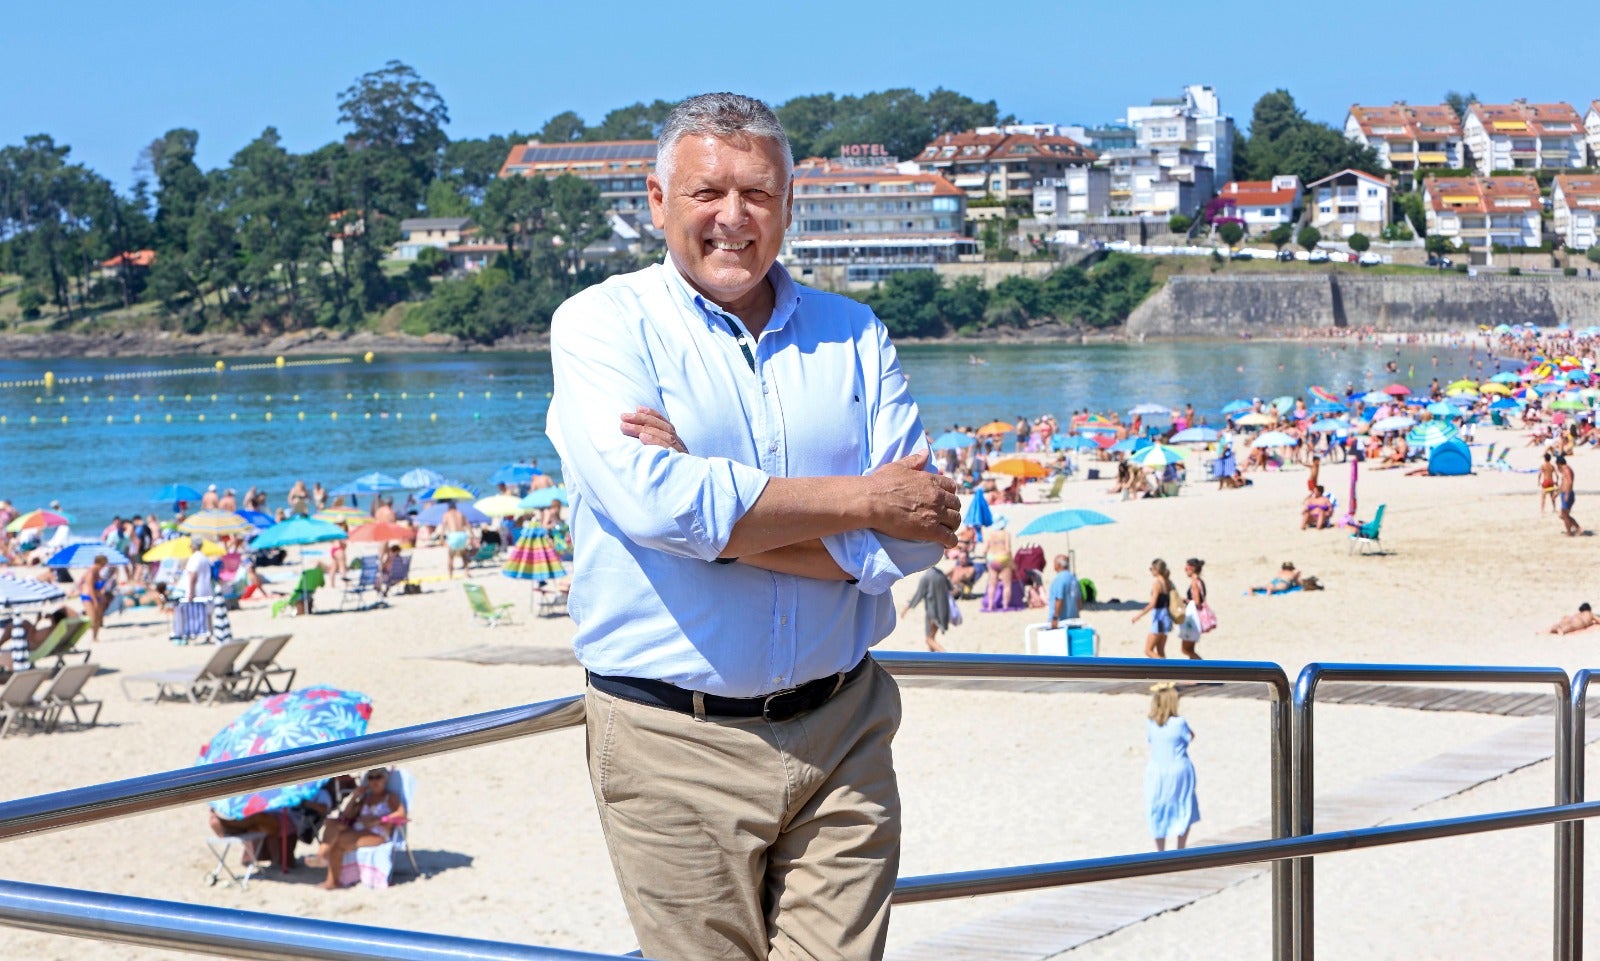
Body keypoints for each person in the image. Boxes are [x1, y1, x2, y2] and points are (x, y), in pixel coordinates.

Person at [545, 92, 956, 961]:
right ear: (657, 203)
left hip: (845, 730)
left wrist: (723, 513)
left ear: (788, 204)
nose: (733, 217)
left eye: (758, 194)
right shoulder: (601, 326)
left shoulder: (854, 333)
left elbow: (921, 534)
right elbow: (659, 504)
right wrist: (860, 501)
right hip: (672, 743)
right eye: (706, 193)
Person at [316, 768, 404, 890]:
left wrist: (380, 819)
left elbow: (401, 814)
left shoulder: (389, 797)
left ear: (385, 779)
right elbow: (346, 815)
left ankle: (330, 878)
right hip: (358, 830)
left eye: (378, 777)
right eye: (371, 777)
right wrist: (355, 797)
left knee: (338, 842)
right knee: (332, 825)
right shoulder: (366, 798)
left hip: (377, 833)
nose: (374, 781)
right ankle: (321, 857)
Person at [1145, 682, 1200, 851]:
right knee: (1183, 805)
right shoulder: (1179, 723)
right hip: (1178, 769)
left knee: (1158, 807)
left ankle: (1160, 851)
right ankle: (1180, 849)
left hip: (1157, 770)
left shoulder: (1151, 723)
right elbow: (1190, 736)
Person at [899, 564, 953, 652]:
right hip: (943, 611)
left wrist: (906, 609)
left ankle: (947, 656)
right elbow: (951, 588)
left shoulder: (926, 577)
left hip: (932, 613)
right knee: (932, 637)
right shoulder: (941, 574)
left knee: (929, 639)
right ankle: (932, 662)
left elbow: (918, 595)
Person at [1132, 558, 1177, 658]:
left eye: (1151, 568)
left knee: (1148, 650)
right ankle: (1165, 672)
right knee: (1160, 651)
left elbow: (1152, 604)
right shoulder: (1168, 582)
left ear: (1156, 569)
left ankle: (1167, 671)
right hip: (1167, 617)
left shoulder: (1157, 583)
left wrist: (1138, 616)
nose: (1150, 571)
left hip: (1159, 618)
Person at [75, 554, 113, 643]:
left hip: (96, 596)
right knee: (91, 618)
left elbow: (80, 582)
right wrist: (95, 599)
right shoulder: (91, 571)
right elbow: (90, 586)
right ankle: (78, 632)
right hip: (88, 596)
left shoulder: (97, 571)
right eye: (104, 564)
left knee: (98, 618)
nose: (105, 566)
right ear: (101, 563)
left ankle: (94, 637)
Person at [1175, 557, 1207, 659]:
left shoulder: (1194, 582)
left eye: (1186, 568)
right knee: (1189, 649)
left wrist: (1184, 600)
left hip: (1193, 620)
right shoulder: (1200, 581)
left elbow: (1197, 602)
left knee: (1186, 649)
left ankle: (1203, 669)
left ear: (1192, 568)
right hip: (1196, 619)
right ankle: (1198, 671)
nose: (1185, 570)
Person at [1046, 553, 1079, 630]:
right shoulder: (1074, 579)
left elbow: (1059, 599)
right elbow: (1079, 603)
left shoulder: (1059, 579)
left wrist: (1055, 617)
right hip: (1074, 620)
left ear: (1058, 565)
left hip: (1061, 622)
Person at [438, 501, 471, 576]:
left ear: (448, 508)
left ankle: (450, 574)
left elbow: (443, 527)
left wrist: (441, 538)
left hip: (453, 535)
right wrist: (472, 536)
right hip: (462, 534)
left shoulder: (446, 514)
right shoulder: (460, 513)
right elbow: (468, 525)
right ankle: (467, 571)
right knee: (464, 555)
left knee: (451, 556)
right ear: (455, 506)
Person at [1556, 453, 1581, 536]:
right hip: (1565, 493)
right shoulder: (1564, 470)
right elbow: (1563, 483)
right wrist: (1557, 492)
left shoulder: (1566, 469)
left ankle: (1570, 532)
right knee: (1563, 515)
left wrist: (1567, 494)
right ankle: (1577, 528)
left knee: (1564, 514)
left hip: (1568, 493)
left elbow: (1570, 481)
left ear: (1559, 463)